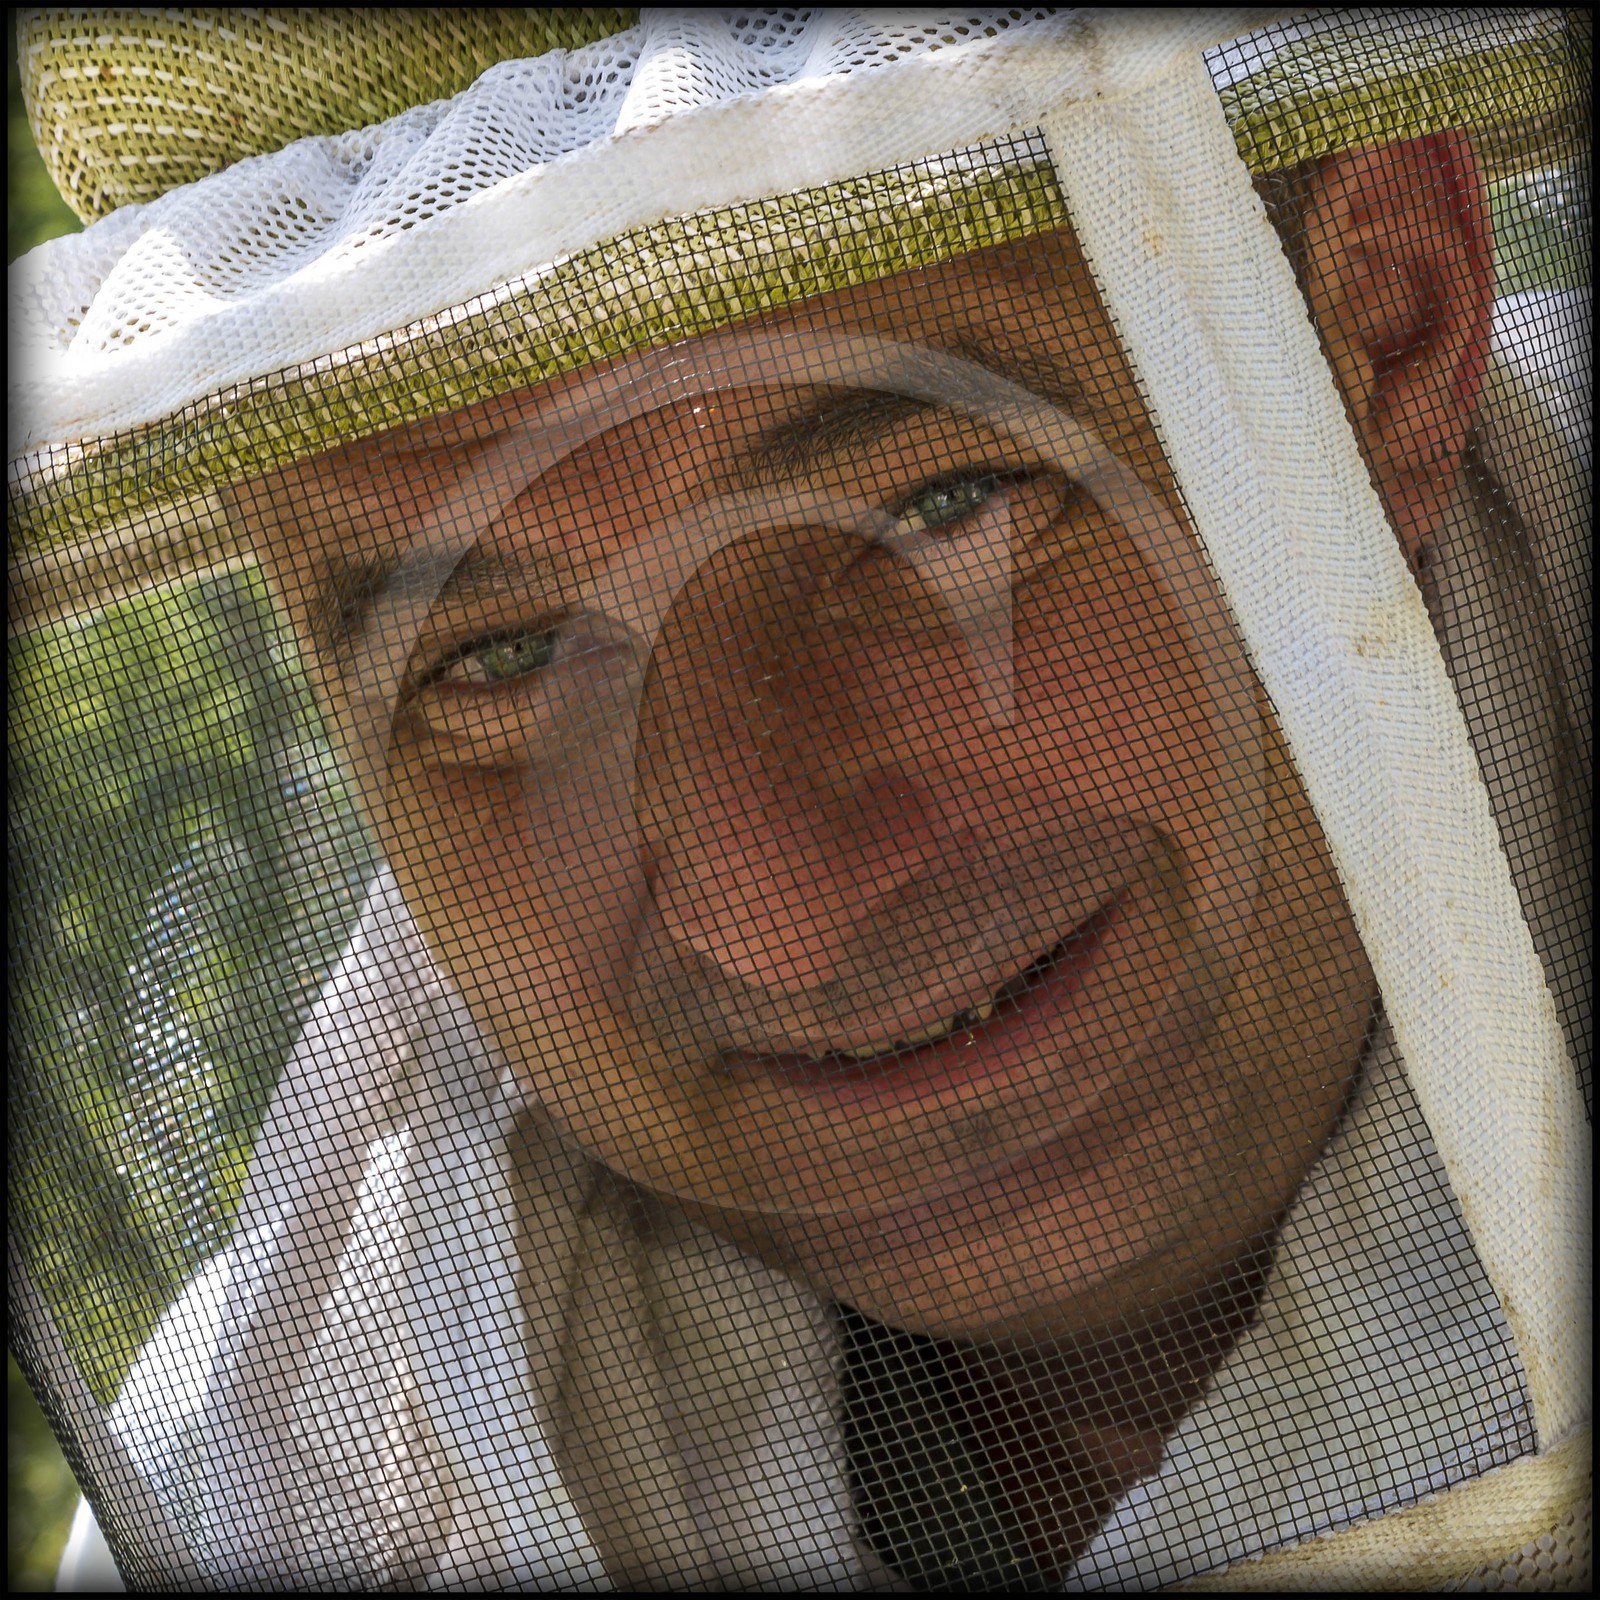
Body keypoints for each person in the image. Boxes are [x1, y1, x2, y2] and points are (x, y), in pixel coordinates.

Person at [17, 10, 1586, 1591]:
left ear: (1381, 327)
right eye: (496, 663)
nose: (774, 911)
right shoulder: (273, 1477)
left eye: (942, 509)